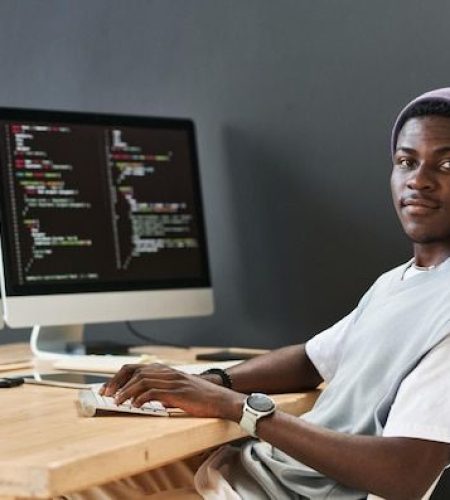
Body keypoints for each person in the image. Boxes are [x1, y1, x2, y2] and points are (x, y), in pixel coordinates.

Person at [73, 88, 450, 500]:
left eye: (446, 164)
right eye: (406, 161)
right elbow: (311, 360)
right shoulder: (399, 282)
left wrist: (237, 406)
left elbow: (406, 473)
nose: (418, 180)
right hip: (253, 472)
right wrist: (205, 382)